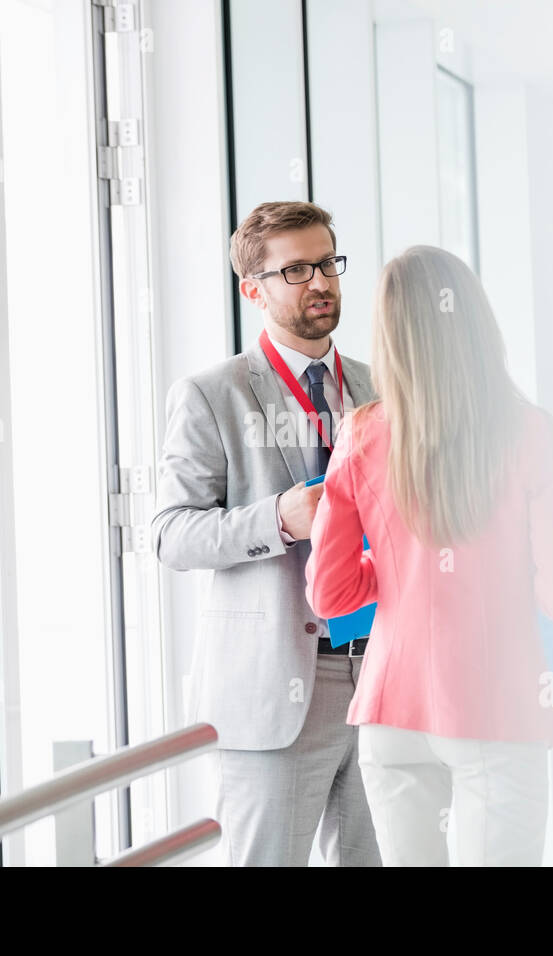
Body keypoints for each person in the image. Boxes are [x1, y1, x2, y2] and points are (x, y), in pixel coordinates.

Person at [304, 244, 553, 866]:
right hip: (497, 703)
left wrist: (398, 570)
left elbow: (329, 596)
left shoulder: (360, 433)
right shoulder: (532, 432)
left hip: (390, 709)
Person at [151, 200, 381, 866]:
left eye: (328, 263)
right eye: (296, 270)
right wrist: (277, 520)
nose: (321, 283)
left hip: (381, 669)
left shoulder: (378, 386)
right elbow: (170, 534)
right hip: (277, 686)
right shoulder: (211, 393)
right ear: (253, 289)